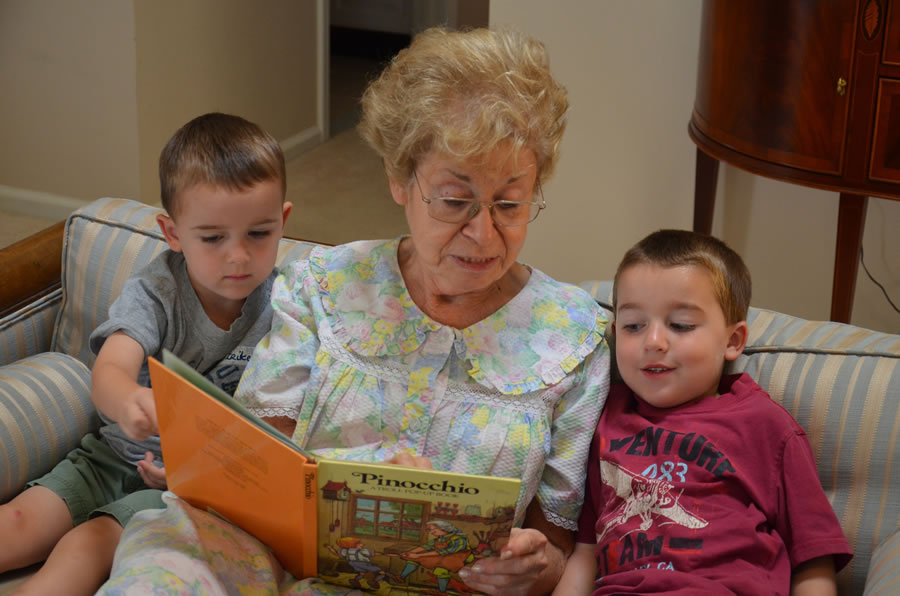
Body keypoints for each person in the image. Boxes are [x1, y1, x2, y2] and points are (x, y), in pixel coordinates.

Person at [99, 27, 611, 596]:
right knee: (163, 561)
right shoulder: (325, 285)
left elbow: (558, 540)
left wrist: (533, 568)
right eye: (454, 200)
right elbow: (259, 461)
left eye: (510, 203)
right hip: (273, 559)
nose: (483, 233)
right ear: (399, 180)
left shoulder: (574, 339)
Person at [0, 112, 292, 595]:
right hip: (110, 456)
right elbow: (112, 366)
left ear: (282, 221)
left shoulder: (288, 307)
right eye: (213, 238)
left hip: (187, 493)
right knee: (16, 523)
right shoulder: (156, 291)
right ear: (172, 233)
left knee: (86, 545)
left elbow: (281, 425)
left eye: (258, 234)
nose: (238, 256)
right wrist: (127, 401)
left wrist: (202, 471)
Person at [554, 230, 853, 595]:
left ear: (733, 341)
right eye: (634, 326)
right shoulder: (604, 418)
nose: (653, 341)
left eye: (680, 325)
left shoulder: (766, 426)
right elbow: (586, 551)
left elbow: (814, 558)